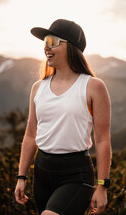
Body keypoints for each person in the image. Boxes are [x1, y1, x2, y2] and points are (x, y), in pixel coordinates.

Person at [14, 19, 112, 215]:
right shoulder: (38, 88)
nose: (46, 48)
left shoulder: (93, 86)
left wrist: (102, 186)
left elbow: (102, 139)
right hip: (42, 173)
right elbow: (30, 135)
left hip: (76, 174)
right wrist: (21, 176)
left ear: (72, 47)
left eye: (52, 42)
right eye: (44, 43)